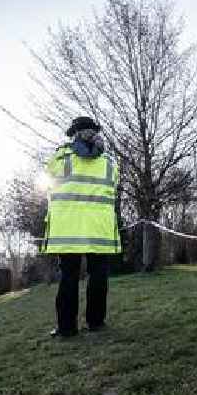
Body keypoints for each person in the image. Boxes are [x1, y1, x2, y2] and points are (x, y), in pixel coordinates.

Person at [42, 116, 121, 338]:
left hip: (68, 229)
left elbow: (48, 177)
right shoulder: (109, 162)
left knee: (69, 277)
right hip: (99, 229)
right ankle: (96, 323)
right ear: (96, 133)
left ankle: (67, 328)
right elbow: (114, 184)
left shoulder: (60, 158)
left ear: (74, 134)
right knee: (99, 276)